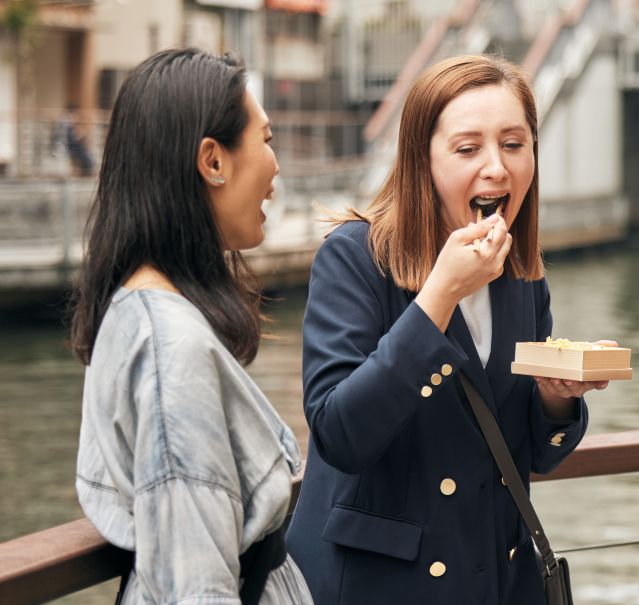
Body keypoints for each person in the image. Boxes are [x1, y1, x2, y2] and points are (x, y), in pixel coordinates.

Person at [286, 54, 603, 604]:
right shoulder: (356, 258)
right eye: (467, 149)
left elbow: (533, 456)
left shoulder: (523, 274)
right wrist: (439, 296)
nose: (496, 168)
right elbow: (339, 433)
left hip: (491, 576)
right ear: (422, 160)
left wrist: (555, 399)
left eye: (513, 144)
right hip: (381, 583)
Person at [70, 48, 311, 604]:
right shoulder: (170, 349)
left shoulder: (139, 311)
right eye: (266, 140)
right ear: (213, 160)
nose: (275, 168)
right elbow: (194, 585)